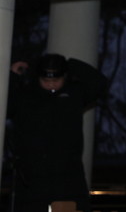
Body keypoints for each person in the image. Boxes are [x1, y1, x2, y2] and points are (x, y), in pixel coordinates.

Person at [6, 53, 108, 212]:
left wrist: (70, 64)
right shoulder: (26, 96)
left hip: (68, 178)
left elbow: (99, 84)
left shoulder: (74, 94)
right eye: (46, 80)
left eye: (56, 80)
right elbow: (6, 106)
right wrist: (13, 77)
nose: (51, 84)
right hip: (31, 179)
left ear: (64, 77)